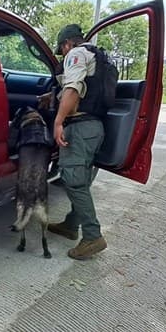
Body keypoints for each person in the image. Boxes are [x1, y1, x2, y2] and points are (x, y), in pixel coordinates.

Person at [46, 24, 107, 260]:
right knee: (81, 179)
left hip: (81, 128)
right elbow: (86, 90)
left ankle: (93, 236)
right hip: (95, 128)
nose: (63, 55)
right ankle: (71, 225)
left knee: (74, 181)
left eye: (62, 51)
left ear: (66, 44)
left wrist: (58, 121)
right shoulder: (99, 56)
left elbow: (73, 87)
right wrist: (51, 97)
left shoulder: (76, 53)